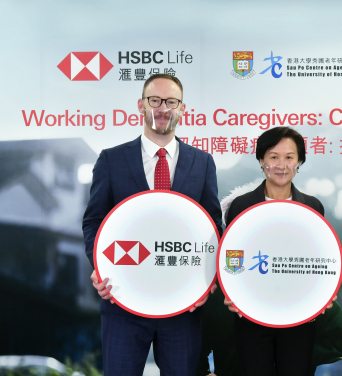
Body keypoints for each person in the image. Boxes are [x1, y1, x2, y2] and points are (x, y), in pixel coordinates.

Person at [83, 74, 223, 376]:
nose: (163, 109)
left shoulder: (202, 163)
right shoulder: (111, 160)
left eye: (171, 102)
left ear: (182, 109)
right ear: (141, 105)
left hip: (183, 306)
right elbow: (94, 220)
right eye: (155, 101)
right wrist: (99, 266)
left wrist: (208, 282)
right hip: (123, 300)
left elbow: (213, 226)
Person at [223, 126, 338, 376]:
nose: (281, 165)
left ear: (300, 161)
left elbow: (321, 258)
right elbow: (232, 254)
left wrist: (325, 291)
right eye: (273, 157)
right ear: (261, 160)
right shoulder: (241, 205)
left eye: (289, 157)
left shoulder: (313, 206)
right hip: (251, 314)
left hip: (299, 315)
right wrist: (232, 290)